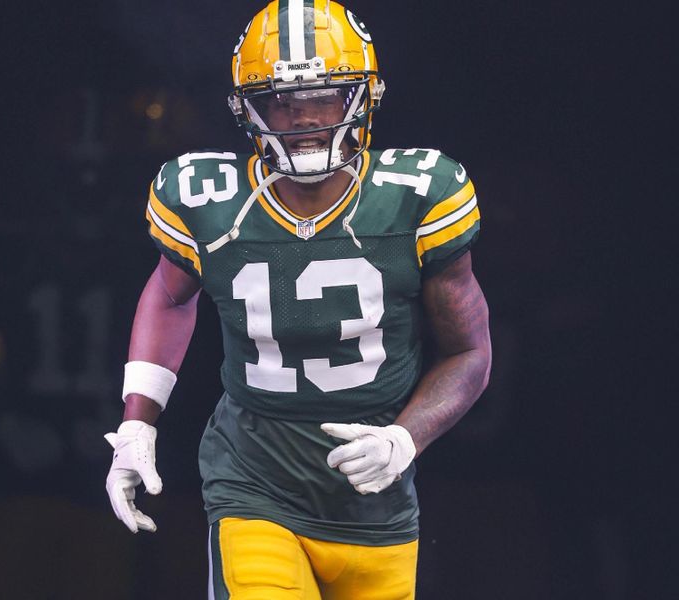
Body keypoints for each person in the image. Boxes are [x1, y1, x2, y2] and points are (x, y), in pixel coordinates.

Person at [104, 1, 491, 598]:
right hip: (254, 484)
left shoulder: (419, 195)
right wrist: (137, 426)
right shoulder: (208, 197)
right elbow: (171, 295)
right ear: (247, 107)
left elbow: (469, 353)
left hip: (376, 510)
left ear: (364, 97)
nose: (305, 116)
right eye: (282, 100)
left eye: (327, 96)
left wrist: (405, 438)